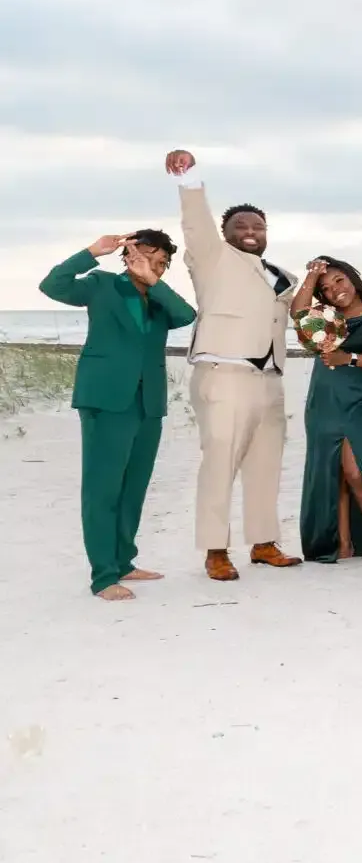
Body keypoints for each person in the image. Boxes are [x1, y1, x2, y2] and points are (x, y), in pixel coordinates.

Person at [165, 149, 303, 580]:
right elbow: (195, 224)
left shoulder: (280, 273)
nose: (249, 231)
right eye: (239, 225)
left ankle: (263, 543)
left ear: (267, 232)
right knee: (220, 462)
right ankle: (215, 550)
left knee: (265, 463)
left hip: (269, 377)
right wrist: (189, 178)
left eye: (257, 225)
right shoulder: (212, 258)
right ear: (224, 233)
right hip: (224, 374)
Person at [39, 231, 195, 600]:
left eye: (161, 263)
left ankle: (124, 561)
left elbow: (186, 315)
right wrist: (93, 252)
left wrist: (153, 281)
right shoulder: (101, 285)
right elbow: (52, 285)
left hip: (148, 403)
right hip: (106, 401)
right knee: (102, 490)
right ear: (127, 256)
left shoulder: (159, 300)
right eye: (145, 257)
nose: (152, 266)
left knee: (133, 489)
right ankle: (104, 576)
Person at [290, 258, 362, 564]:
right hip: (323, 398)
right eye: (326, 288)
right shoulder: (324, 316)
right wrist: (312, 275)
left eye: (339, 281)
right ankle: (343, 543)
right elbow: (297, 313)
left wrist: (351, 358)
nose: (335, 291)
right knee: (334, 472)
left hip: (357, 398)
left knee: (355, 472)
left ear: (353, 278)